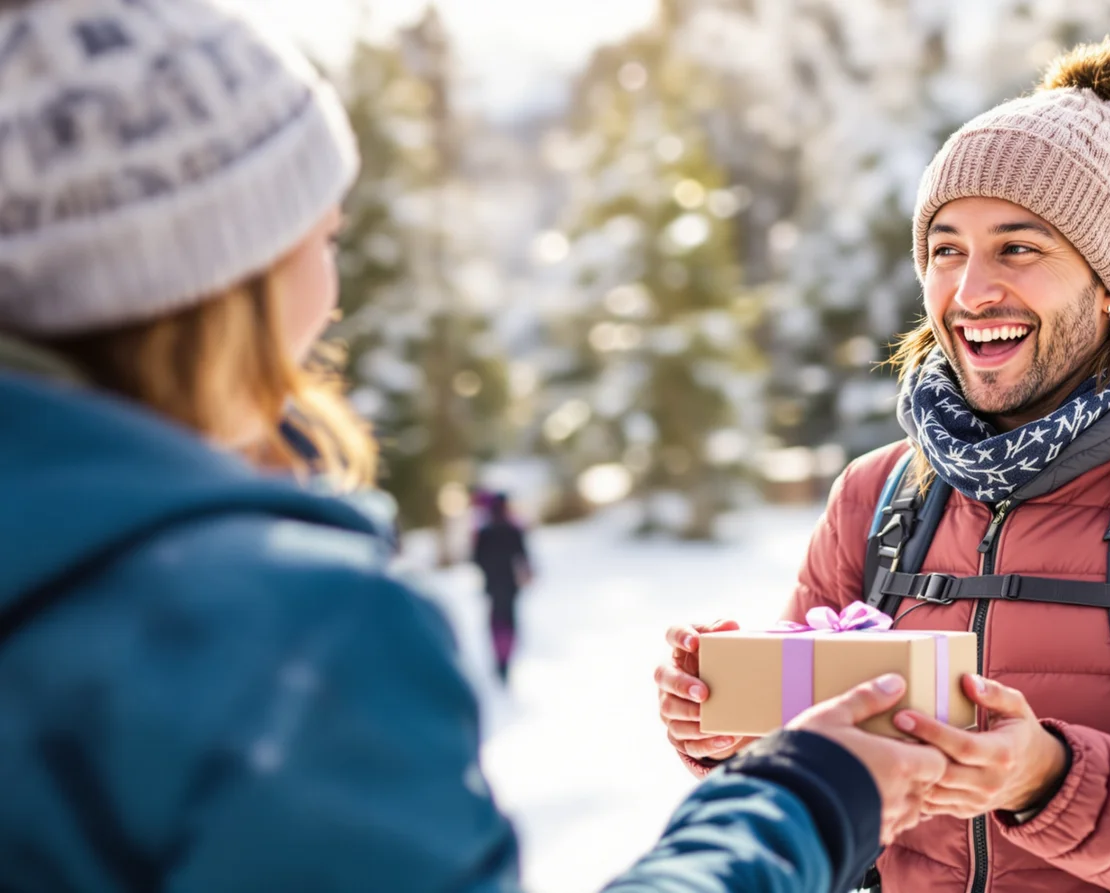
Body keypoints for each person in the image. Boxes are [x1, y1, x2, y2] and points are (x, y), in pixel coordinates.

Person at [0, 1, 948, 891]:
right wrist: (806, 799)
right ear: (224, 278)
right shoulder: (289, 641)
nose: (331, 294)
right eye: (324, 236)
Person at [657, 39, 1110, 893]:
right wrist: (736, 736)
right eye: (946, 250)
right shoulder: (878, 498)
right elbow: (824, 808)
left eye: (1018, 249)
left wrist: (1047, 780)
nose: (970, 289)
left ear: (1108, 284)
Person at [471, 492, 532, 681]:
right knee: (509, 620)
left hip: (493, 583)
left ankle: (500, 658)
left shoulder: (484, 532)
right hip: (509, 582)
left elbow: (475, 559)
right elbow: (523, 556)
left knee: (496, 621)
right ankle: (505, 658)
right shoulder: (513, 529)